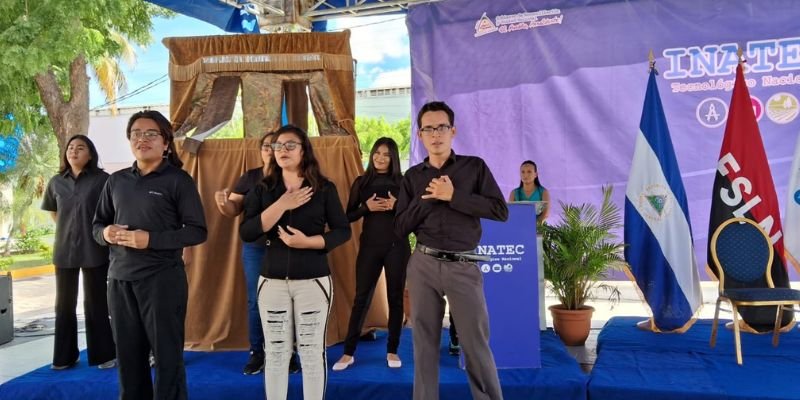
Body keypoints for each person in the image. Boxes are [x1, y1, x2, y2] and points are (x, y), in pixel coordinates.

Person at [395, 101, 508, 400]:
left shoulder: (474, 167)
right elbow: (399, 226)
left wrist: (454, 196)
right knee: (424, 344)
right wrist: (429, 198)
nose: (436, 134)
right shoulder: (412, 177)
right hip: (423, 264)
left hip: (463, 266)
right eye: (428, 129)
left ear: (453, 130)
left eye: (441, 127)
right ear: (420, 135)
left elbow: (499, 210)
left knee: (475, 344)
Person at [92, 110, 207, 399]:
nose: (142, 139)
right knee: (129, 360)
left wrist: (150, 240)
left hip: (162, 281)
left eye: (150, 133)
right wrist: (106, 234)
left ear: (166, 143)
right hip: (119, 280)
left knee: (167, 360)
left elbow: (197, 231)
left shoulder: (178, 180)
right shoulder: (116, 181)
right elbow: (96, 225)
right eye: (135, 134)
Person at [239, 124, 351, 400]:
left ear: (304, 151)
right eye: (277, 146)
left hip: (313, 281)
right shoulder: (263, 189)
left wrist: (309, 242)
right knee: (276, 352)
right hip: (272, 282)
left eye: (290, 145)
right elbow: (247, 231)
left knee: (312, 352)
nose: (282, 150)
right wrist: (282, 205)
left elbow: (342, 231)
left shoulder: (324, 188)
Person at [214, 131, 300, 375]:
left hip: (287, 247)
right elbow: (233, 209)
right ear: (261, 150)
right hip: (255, 248)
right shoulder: (249, 177)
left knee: (288, 300)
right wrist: (223, 203)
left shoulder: (290, 176)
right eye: (266, 145)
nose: (270, 149)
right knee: (256, 301)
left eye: (276, 145)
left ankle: (289, 353)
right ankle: (257, 353)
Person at [332, 137, 410, 371]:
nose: (380, 158)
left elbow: (414, 217)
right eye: (377, 153)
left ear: (393, 157)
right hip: (369, 247)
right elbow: (347, 216)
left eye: (386, 154)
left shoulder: (404, 182)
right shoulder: (361, 182)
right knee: (361, 298)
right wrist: (368, 207)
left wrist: (398, 206)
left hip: (397, 247)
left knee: (395, 298)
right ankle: (348, 353)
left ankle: (392, 350)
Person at [41, 135, 116, 370]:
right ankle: (64, 357)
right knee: (63, 305)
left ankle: (103, 356)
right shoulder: (55, 182)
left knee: (96, 304)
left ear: (90, 154)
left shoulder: (103, 180)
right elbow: (55, 213)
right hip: (64, 252)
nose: (73, 151)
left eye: (80, 148)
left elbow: (111, 212)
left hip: (95, 249)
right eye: (70, 148)